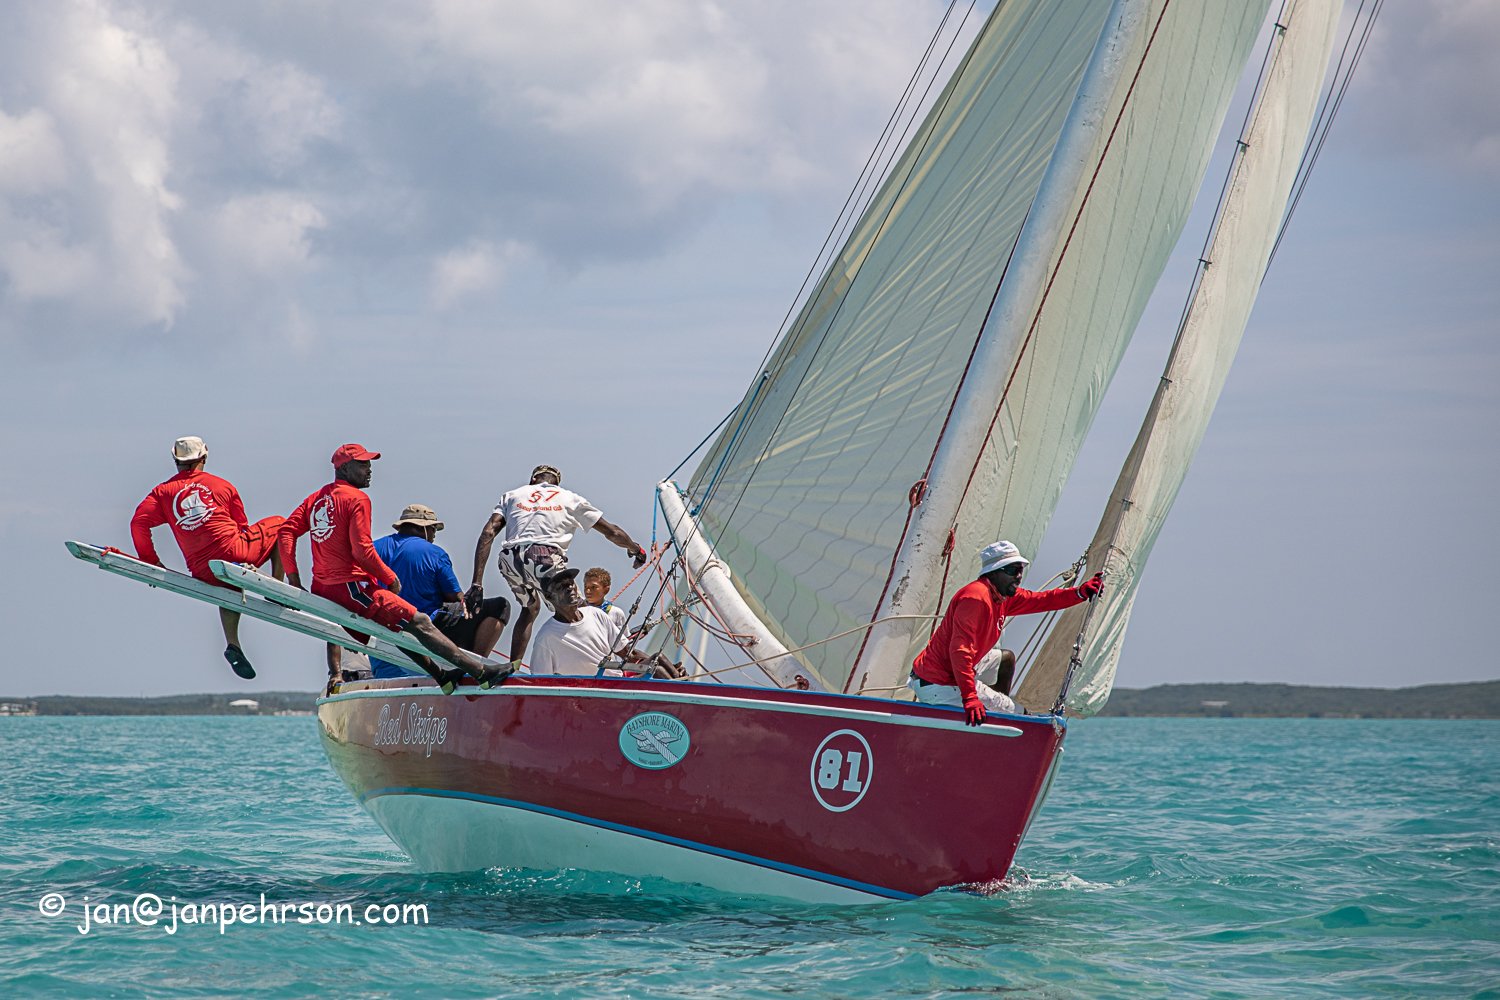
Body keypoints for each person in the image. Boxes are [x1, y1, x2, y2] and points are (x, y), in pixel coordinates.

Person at [278, 444, 502, 692]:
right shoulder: (357, 498)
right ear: (345, 467)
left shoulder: (317, 498)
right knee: (420, 620)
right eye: (363, 464)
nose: (369, 469)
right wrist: (389, 577)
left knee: (396, 623)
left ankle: (442, 677)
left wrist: (294, 579)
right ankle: (481, 673)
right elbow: (362, 550)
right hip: (351, 588)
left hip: (323, 586)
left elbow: (287, 531)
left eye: (369, 463)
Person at [130, 436, 285, 680]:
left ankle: (233, 643)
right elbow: (242, 527)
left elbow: (138, 523)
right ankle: (277, 590)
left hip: (202, 569)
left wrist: (151, 562)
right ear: (204, 456)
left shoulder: (162, 493)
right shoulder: (222, 486)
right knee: (280, 525)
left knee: (227, 582)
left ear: (175, 460)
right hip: (235, 553)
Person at [467, 464, 648, 666]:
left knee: (529, 609)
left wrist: (477, 584)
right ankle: (623, 659)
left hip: (509, 559)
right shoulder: (569, 498)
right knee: (579, 611)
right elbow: (612, 532)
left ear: (533, 480)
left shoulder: (513, 495)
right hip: (544, 556)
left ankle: (514, 668)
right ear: (556, 482)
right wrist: (635, 549)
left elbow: (488, 533)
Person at [909, 540, 1104, 725]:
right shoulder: (976, 598)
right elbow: (960, 652)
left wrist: (1080, 593)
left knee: (1006, 659)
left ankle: (993, 708)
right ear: (993, 573)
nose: (1018, 576)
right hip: (938, 684)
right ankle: (994, 711)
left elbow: (1042, 599)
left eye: (1020, 570)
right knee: (1021, 716)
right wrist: (970, 698)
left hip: (953, 672)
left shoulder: (1002, 596)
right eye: (1012, 570)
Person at [369, 504, 510, 679]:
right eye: (434, 529)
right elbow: (456, 598)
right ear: (423, 528)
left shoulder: (372, 548)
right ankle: (473, 669)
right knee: (499, 606)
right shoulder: (435, 553)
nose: (434, 535)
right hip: (426, 631)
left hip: (381, 637)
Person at [529, 567, 682, 678]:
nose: (570, 588)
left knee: (658, 658)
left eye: (571, 583)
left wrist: (671, 668)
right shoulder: (546, 638)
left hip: (618, 679)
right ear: (549, 598)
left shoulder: (595, 614)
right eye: (562, 587)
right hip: (598, 691)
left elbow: (629, 654)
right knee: (658, 672)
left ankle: (686, 687)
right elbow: (540, 682)